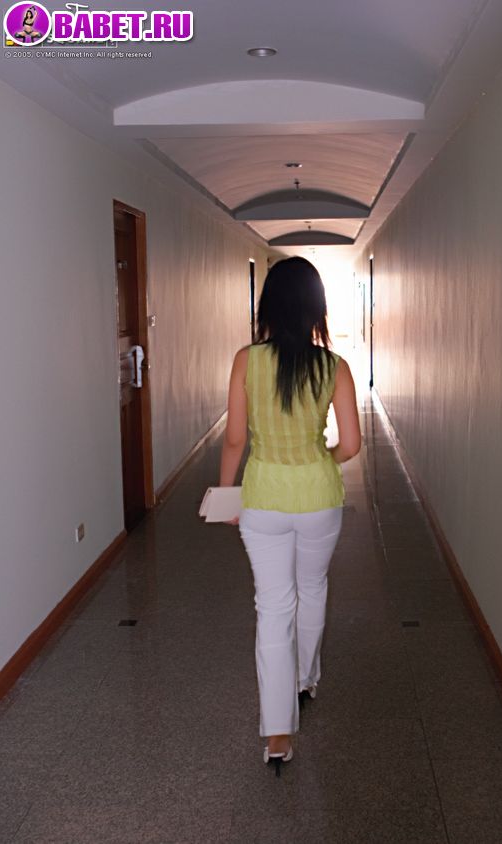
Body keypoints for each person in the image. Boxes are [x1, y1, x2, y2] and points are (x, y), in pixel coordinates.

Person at [219, 256, 361, 771]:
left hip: (264, 500)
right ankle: (305, 680)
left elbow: (236, 439)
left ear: (268, 306)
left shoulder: (246, 360)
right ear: (316, 308)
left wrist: (226, 493)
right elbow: (351, 445)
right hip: (319, 498)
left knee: (273, 608)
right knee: (313, 588)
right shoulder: (334, 367)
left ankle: (277, 734)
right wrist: (320, 460)